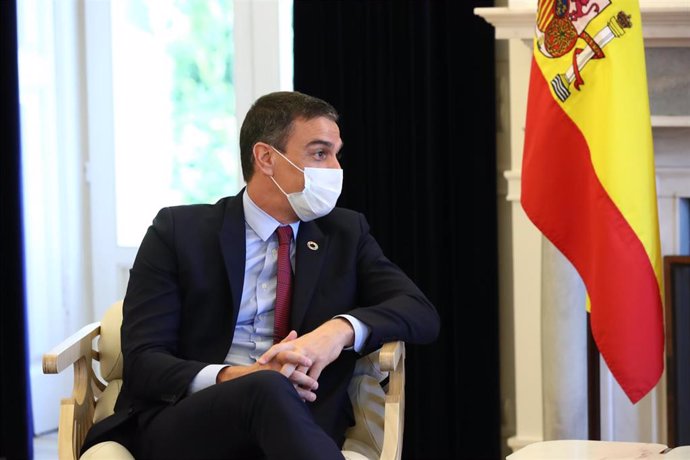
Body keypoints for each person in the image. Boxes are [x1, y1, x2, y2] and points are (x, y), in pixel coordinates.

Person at [82, 91, 440, 459]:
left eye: (336, 153)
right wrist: (235, 377)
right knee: (266, 387)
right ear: (266, 158)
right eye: (319, 153)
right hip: (188, 424)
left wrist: (336, 331)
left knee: (272, 393)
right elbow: (144, 360)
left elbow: (420, 312)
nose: (334, 169)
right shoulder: (178, 232)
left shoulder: (345, 234)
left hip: (298, 425)